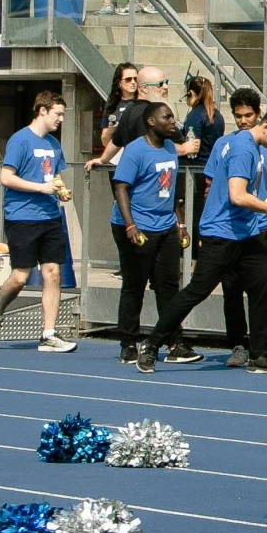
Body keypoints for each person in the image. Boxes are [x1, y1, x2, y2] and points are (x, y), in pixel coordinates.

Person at [138, 89, 267, 375]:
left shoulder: (259, 148)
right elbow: (237, 195)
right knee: (197, 290)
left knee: (264, 286)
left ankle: (259, 354)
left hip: (246, 233)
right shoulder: (244, 147)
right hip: (222, 233)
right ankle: (152, 343)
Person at [0, 91, 77, 353]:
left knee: (53, 272)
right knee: (20, 276)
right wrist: (39, 188)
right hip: (22, 216)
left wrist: (61, 190)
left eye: (62, 115)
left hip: (50, 216)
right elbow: (6, 177)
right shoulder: (20, 140)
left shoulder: (54, 144)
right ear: (42, 111)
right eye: (57, 114)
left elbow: (55, 176)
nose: (60, 119)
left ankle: (48, 333)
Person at [113, 101, 196, 367]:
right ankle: (128, 343)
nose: (173, 121)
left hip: (165, 225)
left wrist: (180, 224)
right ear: (151, 122)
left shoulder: (171, 148)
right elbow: (121, 188)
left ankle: (174, 342)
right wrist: (130, 225)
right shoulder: (136, 151)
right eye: (167, 117)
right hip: (137, 225)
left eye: (173, 117)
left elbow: (170, 191)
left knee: (168, 286)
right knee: (135, 285)